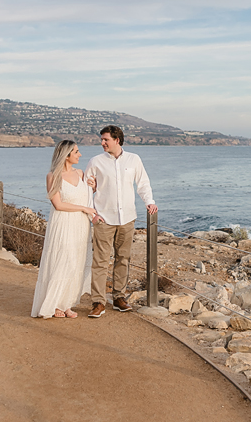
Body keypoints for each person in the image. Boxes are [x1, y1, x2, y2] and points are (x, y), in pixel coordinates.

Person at [85, 125, 158, 318]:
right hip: (103, 218)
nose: (102, 143)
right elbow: (86, 189)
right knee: (100, 262)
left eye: (106, 139)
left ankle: (119, 297)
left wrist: (149, 202)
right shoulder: (95, 161)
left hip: (127, 218)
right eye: (102, 139)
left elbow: (143, 183)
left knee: (123, 259)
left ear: (117, 140)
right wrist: (92, 213)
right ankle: (98, 302)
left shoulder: (134, 159)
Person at [31, 141, 97, 319]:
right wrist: (84, 209)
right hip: (63, 225)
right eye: (76, 151)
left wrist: (93, 187)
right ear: (66, 155)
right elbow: (58, 204)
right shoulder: (53, 176)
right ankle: (55, 304)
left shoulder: (81, 173)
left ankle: (67, 303)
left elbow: (87, 197)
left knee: (76, 263)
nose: (80, 155)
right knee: (63, 262)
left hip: (81, 226)